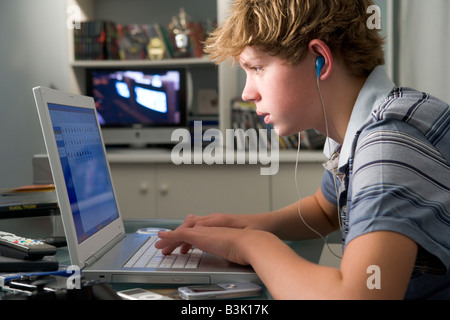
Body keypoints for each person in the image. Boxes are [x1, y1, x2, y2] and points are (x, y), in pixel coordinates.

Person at [156, 0, 450, 299]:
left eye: (257, 67)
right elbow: (325, 211)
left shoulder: (387, 148)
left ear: (319, 59)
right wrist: (247, 225)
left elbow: (359, 296)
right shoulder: (368, 122)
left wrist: (251, 244)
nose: (246, 93)